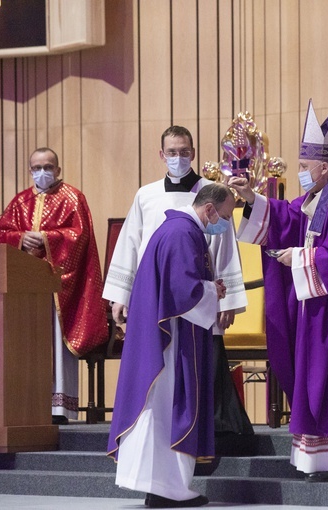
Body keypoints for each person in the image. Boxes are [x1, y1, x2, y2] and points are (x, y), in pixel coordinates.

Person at [229, 99, 328, 480]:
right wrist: (251, 197)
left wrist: (298, 260)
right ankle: (324, 456)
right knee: (319, 379)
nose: (300, 173)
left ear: (325, 165)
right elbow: (287, 215)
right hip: (320, 308)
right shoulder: (323, 195)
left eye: (304, 167)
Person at [102, 125, 252, 437]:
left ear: (193, 153)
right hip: (156, 298)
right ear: (162, 155)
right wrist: (122, 295)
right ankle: (159, 430)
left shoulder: (210, 192)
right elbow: (131, 244)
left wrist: (228, 300)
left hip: (198, 295)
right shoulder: (146, 195)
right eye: (172, 152)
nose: (178, 158)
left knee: (200, 367)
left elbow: (225, 244)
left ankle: (203, 434)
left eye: (184, 152)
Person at [108, 184, 235, 509]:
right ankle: (169, 488)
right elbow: (183, 292)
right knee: (169, 407)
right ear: (209, 210)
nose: (224, 223)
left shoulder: (174, 228)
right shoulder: (183, 234)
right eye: (225, 216)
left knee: (158, 409)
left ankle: (157, 486)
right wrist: (212, 292)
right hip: (173, 342)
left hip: (160, 336)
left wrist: (207, 288)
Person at [0, 147, 107, 423]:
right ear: (30, 170)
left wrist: (46, 238)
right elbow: (0, 236)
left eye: (47, 167)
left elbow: (79, 237)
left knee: (57, 343)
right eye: (36, 168)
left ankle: (59, 409)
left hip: (60, 290)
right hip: (26, 291)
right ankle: (30, 405)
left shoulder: (72, 198)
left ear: (57, 169)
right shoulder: (20, 201)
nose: (41, 173)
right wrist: (20, 238)